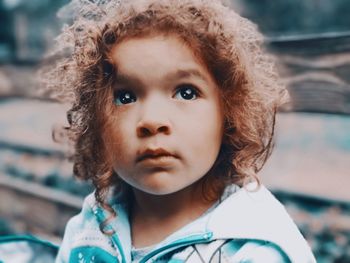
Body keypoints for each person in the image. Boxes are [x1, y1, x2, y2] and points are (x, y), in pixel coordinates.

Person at [44, 0, 316, 262]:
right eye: (125, 97)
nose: (152, 120)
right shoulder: (90, 227)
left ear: (230, 114)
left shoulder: (254, 248)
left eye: (186, 93)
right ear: (96, 123)